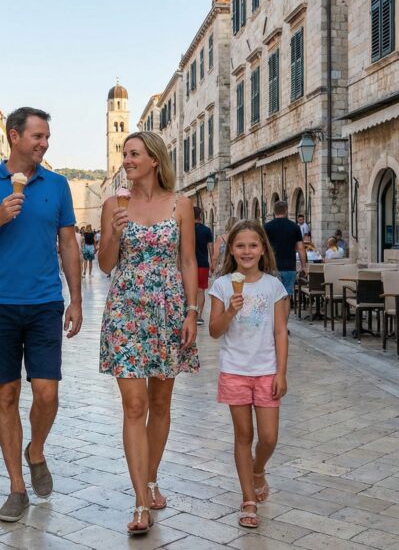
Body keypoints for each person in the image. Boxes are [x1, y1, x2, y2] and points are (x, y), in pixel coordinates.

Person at [0, 107, 82, 523]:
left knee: (47, 393)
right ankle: (16, 486)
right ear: (14, 136)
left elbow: (68, 244)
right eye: (37, 137)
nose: (44, 144)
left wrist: (77, 299)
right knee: (6, 395)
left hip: (46, 301)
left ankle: (36, 450)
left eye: (47, 137)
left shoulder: (58, 186)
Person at [99, 131, 198, 536]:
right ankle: (141, 501)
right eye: (124, 154)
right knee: (134, 406)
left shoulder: (180, 204)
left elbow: (188, 260)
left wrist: (193, 311)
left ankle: (151, 477)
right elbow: (106, 264)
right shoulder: (112, 205)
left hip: (169, 311)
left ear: (155, 159)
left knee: (160, 403)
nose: (127, 160)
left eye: (134, 154)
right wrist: (116, 232)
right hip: (126, 311)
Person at [207, 220, 288, 529]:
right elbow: (214, 331)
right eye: (240, 245)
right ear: (232, 250)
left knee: (268, 437)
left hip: (266, 370)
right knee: (244, 436)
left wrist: (281, 372)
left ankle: (258, 470)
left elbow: (281, 332)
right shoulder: (222, 285)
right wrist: (229, 310)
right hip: (235, 370)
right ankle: (248, 500)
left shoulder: (273, 286)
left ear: (263, 249)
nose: (247, 251)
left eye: (253, 245)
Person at [264, 202, 308, 297]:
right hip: (289, 267)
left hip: (272, 266)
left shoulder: (267, 227)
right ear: (286, 210)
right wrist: (304, 266)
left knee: (273, 295)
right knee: (287, 295)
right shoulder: (295, 227)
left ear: (274, 211)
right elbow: (301, 248)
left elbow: (262, 248)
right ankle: (285, 312)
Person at [193, 206, 214, 326]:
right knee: (201, 290)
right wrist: (212, 263)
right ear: (201, 216)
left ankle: (191, 313)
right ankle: (199, 316)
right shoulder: (206, 230)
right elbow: (210, 247)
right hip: (202, 264)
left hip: (190, 264)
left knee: (190, 290)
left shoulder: (187, 229)